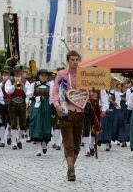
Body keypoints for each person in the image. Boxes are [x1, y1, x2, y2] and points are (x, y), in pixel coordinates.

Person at [52, 50, 94, 181]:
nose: (75, 62)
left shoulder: (84, 74)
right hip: (66, 112)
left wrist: (92, 96)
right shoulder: (61, 74)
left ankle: (70, 167)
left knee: (76, 145)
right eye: (72, 60)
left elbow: (88, 93)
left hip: (80, 113)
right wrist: (57, 106)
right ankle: (71, 171)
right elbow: (54, 92)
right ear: (68, 61)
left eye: (77, 60)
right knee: (68, 143)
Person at [27, 69, 53, 156]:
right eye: (42, 76)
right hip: (36, 106)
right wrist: (38, 99)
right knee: (37, 124)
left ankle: (45, 142)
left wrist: (52, 108)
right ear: (39, 76)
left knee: (46, 125)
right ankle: (38, 148)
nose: (44, 77)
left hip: (46, 106)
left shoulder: (50, 85)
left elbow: (52, 97)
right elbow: (29, 96)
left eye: (45, 76)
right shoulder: (33, 85)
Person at [4, 65, 30, 150]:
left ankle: (18, 140)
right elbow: (8, 91)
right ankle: (14, 143)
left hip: (22, 103)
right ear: (14, 72)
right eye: (16, 72)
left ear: (22, 72)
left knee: (23, 124)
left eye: (19, 72)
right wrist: (14, 85)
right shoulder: (10, 80)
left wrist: (22, 85)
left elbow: (29, 93)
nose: (18, 73)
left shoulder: (25, 81)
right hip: (12, 104)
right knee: (14, 123)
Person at [99, 80, 120, 151]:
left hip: (112, 113)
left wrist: (111, 101)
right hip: (103, 112)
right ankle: (101, 140)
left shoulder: (115, 93)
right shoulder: (101, 91)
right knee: (103, 126)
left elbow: (118, 105)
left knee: (110, 128)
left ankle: (108, 142)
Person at [0, 66, 12, 147]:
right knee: (2, 122)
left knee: (11, 122)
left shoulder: (12, 80)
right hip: (2, 103)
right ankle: (2, 140)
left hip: (11, 103)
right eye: (4, 73)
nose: (6, 74)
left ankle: (9, 136)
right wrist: (3, 82)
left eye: (7, 73)